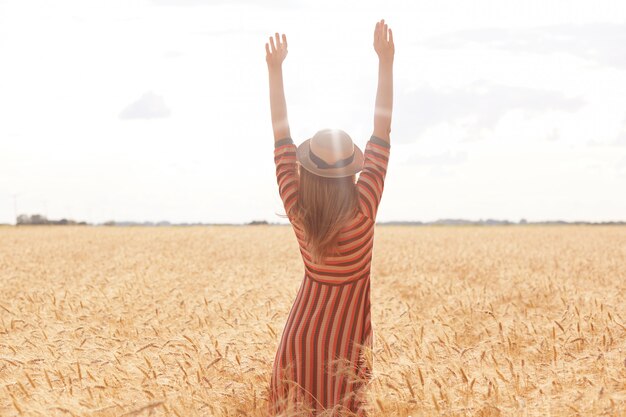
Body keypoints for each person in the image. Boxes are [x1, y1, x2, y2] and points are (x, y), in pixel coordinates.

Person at [265, 18, 394, 416]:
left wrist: (274, 69)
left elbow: (281, 136)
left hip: (298, 344)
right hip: (344, 353)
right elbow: (382, 130)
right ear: (352, 171)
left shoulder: (297, 208)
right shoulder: (364, 209)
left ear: (307, 170)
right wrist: (385, 61)